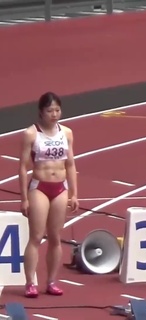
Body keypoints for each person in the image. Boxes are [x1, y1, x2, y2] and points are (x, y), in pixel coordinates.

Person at [18, 91, 79, 298]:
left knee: (55, 237)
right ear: (41, 112)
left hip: (60, 187)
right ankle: (29, 282)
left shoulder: (67, 133)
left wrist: (74, 193)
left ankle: (52, 281)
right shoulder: (31, 134)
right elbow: (22, 167)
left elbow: (70, 164)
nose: (54, 114)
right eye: (50, 110)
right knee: (35, 236)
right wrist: (24, 198)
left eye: (57, 110)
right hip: (39, 187)